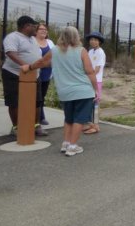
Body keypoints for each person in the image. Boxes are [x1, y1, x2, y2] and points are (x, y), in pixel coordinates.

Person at [24, 26, 97, 157]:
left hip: (65, 92)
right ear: (76, 36)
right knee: (79, 119)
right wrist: (96, 89)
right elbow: (90, 71)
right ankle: (73, 146)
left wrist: (29, 67)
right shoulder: (81, 51)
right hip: (83, 90)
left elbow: (42, 62)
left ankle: (66, 143)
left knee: (68, 118)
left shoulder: (54, 50)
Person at [1, 15, 47, 137]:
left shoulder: (33, 39)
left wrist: (35, 66)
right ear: (26, 26)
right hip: (13, 73)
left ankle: (36, 125)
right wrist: (25, 65)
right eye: (34, 26)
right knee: (14, 102)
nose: (36, 29)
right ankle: (16, 127)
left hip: (33, 75)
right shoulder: (13, 37)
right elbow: (11, 53)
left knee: (37, 101)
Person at [83, 31, 105, 134]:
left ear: (99, 41)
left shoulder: (101, 52)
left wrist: (89, 75)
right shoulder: (90, 51)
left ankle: (96, 126)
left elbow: (97, 69)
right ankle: (90, 124)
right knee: (89, 102)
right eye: (91, 39)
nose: (93, 41)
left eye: (95, 40)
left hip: (96, 81)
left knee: (96, 102)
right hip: (89, 80)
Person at [35, 23, 54, 126]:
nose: (43, 31)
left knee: (42, 95)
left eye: (45, 29)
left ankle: (40, 116)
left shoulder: (50, 42)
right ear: (36, 31)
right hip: (35, 73)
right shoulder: (32, 41)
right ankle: (39, 117)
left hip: (47, 73)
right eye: (41, 29)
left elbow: (55, 56)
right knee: (36, 96)